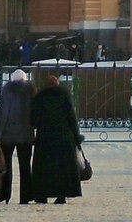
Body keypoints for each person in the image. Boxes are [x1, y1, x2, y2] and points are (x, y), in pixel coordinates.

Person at [29, 70, 83, 207]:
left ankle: (42, 194)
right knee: (62, 168)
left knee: (44, 167)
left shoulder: (39, 97)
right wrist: (77, 137)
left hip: (45, 137)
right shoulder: (65, 96)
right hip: (63, 136)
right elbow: (72, 118)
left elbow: (33, 120)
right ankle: (61, 194)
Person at [0, 66, 35, 204]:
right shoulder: (31, 93)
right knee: (25, 167)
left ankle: (5, 194)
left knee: (5, 166)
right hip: (26, 135)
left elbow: (3, 114)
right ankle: (25, 196)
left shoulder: (7, 92)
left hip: (7, 135)